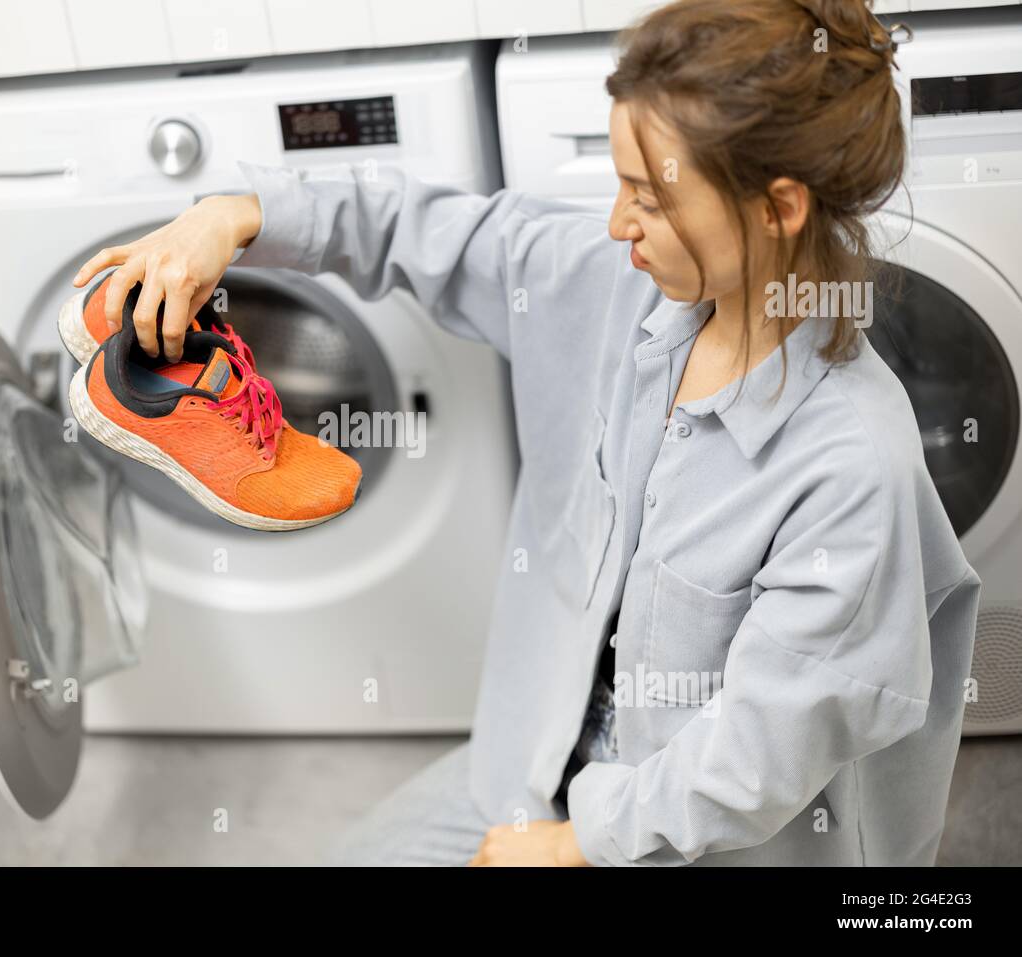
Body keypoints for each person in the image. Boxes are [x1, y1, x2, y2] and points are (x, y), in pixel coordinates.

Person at [71, 0, 982, 866]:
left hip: (700, 837)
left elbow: (758, 755)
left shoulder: (852, 464)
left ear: (779, 208)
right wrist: (229, 217)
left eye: (652, 200)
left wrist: (575, 844)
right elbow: (436, 233)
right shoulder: (613, 289)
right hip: (534, 766)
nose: (620, 223)